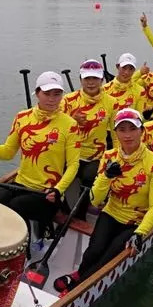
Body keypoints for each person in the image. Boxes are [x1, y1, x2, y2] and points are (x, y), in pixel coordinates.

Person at [53, 108, 153, 293]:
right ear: (115, 132)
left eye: (133, 128)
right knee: (93, 251)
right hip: (111, 212)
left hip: (136, 221)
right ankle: (81, 273)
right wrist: (106, 176)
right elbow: (95, 200)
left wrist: (140, 233)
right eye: (122, 130)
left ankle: (76, 287)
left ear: (142, 131)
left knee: (108, 258)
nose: (128, 135)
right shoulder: (109, 157)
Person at [0, 71, 80, 239]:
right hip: (21, 184)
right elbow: (7, 152)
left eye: (57, 94)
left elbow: (73, 165)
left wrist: (58, 190)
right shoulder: (22, 117)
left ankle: (24, 249)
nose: (52, 98)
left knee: (16, 206)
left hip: (48, 193)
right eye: (47, 93)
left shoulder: (70, 125)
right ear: (37, 93)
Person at [61, 59, 118, 214]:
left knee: (89, 176)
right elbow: (57, 131)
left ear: (102, 80)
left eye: (95, 78)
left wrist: (118, 157)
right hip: (71, 154)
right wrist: (72, 120)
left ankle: (81, 212)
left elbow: (115, 134)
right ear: (80, 80)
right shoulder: (68, 100)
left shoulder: (111, 102)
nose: (91, 83)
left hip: (96, 156)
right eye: (87, 78)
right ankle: (66, 207)